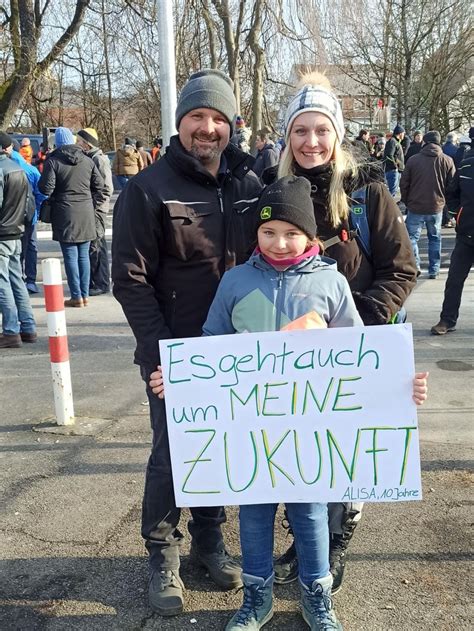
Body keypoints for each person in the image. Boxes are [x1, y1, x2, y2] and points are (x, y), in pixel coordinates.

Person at [149, 178, 429, 631]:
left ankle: (316, 597)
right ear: (255, 235)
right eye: (268, 232)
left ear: (311, 236)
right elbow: (210, 346)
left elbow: (361, 353)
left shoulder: (332, 283)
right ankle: (256, 597)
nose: (280, 243)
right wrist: (180, 378)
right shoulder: (235, 282)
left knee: (310, 510)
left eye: (292, 232)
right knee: (255, 512)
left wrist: (399, 385)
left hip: (310, 430)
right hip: (253, 427)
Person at [111, 68, 262, 616]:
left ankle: (208, 541)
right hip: (175, 355)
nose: (207, 127)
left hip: (238, 352)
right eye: (197, 116)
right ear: (180, 123)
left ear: (230, 125)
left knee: (220, 450)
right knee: (173, 455)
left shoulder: (248, 185)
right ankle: (162, 555)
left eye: (218, 118)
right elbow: (128, 279)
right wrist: (160, 358)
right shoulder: (147, 188)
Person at [261, 71, 417, 595]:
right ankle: (304, 538)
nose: (311, 142)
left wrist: (356, 325)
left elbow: (401, 269)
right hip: (292, 352)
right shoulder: (273, 190)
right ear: (287, 136)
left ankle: (336, 538)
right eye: (300, 131)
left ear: (337, 133)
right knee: (302, 450)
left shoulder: (368, 192)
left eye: (321, 130)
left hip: (357, 348)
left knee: (347, 456)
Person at [39, 127, 106, 307]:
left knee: (70, 256)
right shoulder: (87, 160)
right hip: (86, 211)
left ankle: (76, 295)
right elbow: (100, 185)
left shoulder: (53, 161)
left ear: (57, 143)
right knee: (83, 255)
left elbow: (46, 189)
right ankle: (84, 295)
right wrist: (88, 198)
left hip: (64, 212)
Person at [431, 130, 474, 335]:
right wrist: (457, 215)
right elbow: (452, 192)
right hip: (466, 235)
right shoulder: (466, 164)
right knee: (454, 281)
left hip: (465, 231)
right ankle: (447, 320)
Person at [401, 131, 455, 279]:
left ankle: (416, 265)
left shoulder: (413, 160)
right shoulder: (447, 160)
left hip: (415, 205)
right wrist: (446, 204)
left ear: (424, 142)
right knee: (435, 238)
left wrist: (407, 200)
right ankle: (434, 269)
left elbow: (404, 183)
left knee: (411, 237)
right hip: (436, 205)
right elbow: (452, 186)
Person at [0, 131, 37, 348]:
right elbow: (28, 202)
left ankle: (11, 330)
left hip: (3, 232)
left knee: (3, 282)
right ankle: (28, 327)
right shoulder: (18, 168)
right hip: (16, 230)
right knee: (16, 280)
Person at [76, 127, 114, 296]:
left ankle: (102, 283)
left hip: (97, 210)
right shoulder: (89, 158)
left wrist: (94, 206)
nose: (77, 144)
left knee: (97, 246)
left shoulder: (99, 160)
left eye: (79, 142)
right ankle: (95, 280)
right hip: (91, 208)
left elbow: (107, 188)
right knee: (93, 245)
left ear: (87, 144)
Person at [9, 141, 47, 294]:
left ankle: (15, 280)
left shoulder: (4, 168)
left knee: (13, 249)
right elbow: (42, 192)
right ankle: (30, 280)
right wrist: (35, 209)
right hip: (29, 215)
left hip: (9, 218)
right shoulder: (31, 170)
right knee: (31, 246)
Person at [383, 124, 405, 196]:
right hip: (393, 171)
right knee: (392, 192)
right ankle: (388, 206)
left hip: (395, 171)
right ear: (400, 133)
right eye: (403, 133)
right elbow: (389, 155)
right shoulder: (393, 142)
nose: (404, 135)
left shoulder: (396, 142)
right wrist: (395, 166)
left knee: (393, 192)